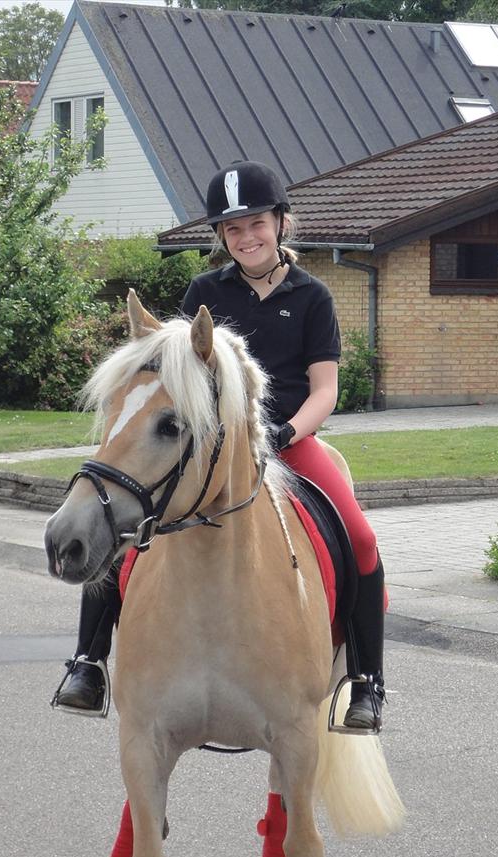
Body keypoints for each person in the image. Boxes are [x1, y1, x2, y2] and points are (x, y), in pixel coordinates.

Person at [52, 160, 387, 732]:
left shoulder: (313, 296)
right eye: (232, 229)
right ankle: (88, 663)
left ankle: (365, 682)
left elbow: (325, 390)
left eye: (256, 223)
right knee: (130, 524)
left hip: (286, 440)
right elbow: (177, 374)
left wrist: (287, 432)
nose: (246, 237)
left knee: (358, 537)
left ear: (280, 223)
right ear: (221, 238)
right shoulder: (205, 290)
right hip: (210, 450)